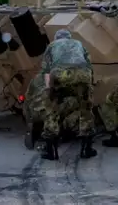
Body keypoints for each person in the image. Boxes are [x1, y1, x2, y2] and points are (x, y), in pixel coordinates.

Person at [40, 29, 96, 161]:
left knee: (52, 112)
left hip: (60, 73)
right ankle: (86, 149)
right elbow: (89, 66)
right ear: (69, 37)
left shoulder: (52, 45)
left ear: (56, 38)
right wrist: (88, 88)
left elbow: (46, 71)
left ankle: (51, 151)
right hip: (83, 74)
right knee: (85, 111)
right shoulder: (78, 43)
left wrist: (49, 91)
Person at [24, 74, 81, 150]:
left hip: (33, 113)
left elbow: (27, 97)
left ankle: (31, 128)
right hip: (48, 114)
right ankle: (58, 132)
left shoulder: (35, 78)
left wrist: (28, 116)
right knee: (73, 102)